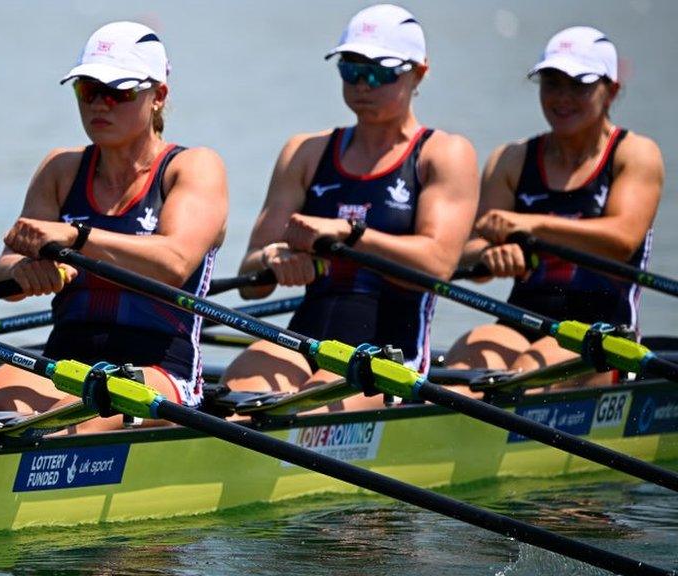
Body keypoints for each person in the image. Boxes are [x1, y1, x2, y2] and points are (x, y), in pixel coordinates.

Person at [0, 21, 227, 432]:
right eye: (88, 91)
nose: (100, 105)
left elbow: (175, 262)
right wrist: (23, 271)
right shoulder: (61, 169)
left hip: (161, 371)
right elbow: (4, 266)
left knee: (83, 417)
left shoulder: (192, 167)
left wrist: (77, 237)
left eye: (118, 92)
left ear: (158, 96)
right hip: (65, 361)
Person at [220, 4, 478, 409]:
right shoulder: (305, 153)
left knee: (311, 402)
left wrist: (350, 234)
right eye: (351, 69)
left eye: (379, 72)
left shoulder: (442, 154)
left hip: (388, 356)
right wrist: (275, 256)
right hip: (302, 342)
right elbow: (253, 282)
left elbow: (438, 264)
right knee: (241, 392)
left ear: (419, 72)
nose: (363, 84)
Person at [444, 26, 663, 380]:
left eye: (579, 85)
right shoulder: (511, 159)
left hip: (602, 330)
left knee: (527, 374)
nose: (562, 97)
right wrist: (488, 257)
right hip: (521, 319)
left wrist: (531, 225)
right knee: (466, 368)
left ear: (611, 91)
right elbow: (465, 251)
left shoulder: (635, 154)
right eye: (552, 83)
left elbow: (622, 240)